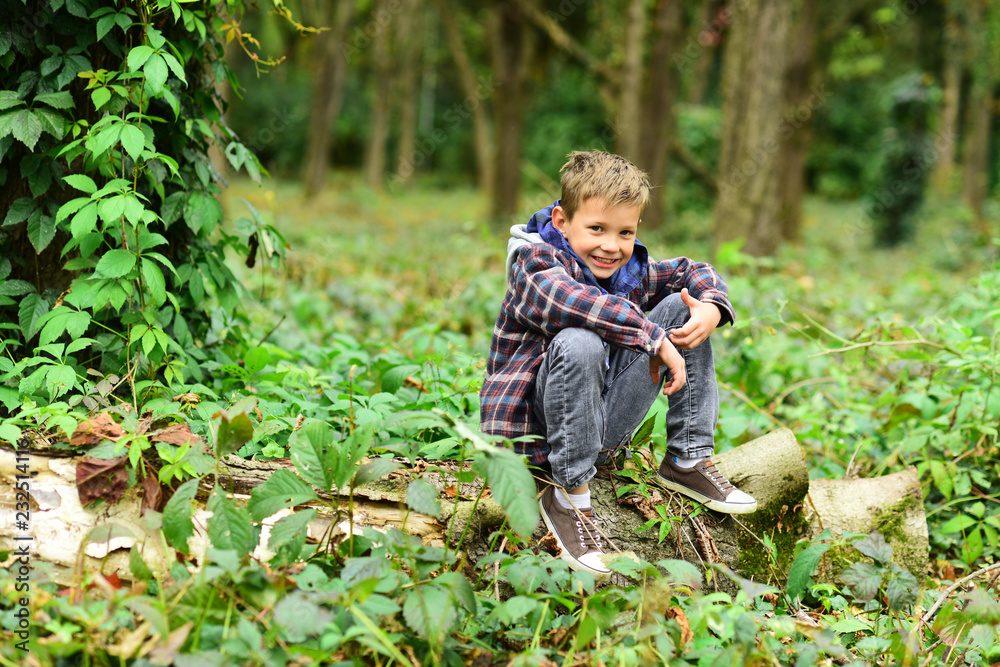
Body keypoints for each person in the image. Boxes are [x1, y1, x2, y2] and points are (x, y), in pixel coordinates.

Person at [479, 150, 757, 579]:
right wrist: (651, 337)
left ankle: (687, 459)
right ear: (560, 220)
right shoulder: (532, 264)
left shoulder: (627, 269)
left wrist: (711, 307)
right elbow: (572, 303)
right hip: (536, 443)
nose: (611, 246)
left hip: (596, 428)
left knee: (684, 308)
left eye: (624, 232)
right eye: (596, 229)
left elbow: (691, 269)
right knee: (580, 339)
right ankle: (568, 495)